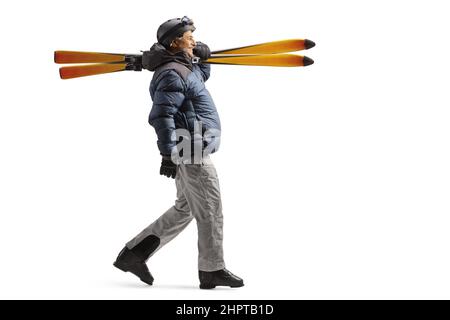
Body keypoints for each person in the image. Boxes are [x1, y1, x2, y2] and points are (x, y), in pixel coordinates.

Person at [113, 16, 244, 289]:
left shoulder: (182, 67)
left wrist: (203, 56)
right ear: (175, 41)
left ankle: (134, 254)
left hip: (192, 143)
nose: (194, 39)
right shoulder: (172, 72)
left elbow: (199, 78)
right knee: (210, 209)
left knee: (186, 208)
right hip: (190, 146)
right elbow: (162, 116)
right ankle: (212, 269)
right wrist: (167, 154)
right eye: (189, 36)